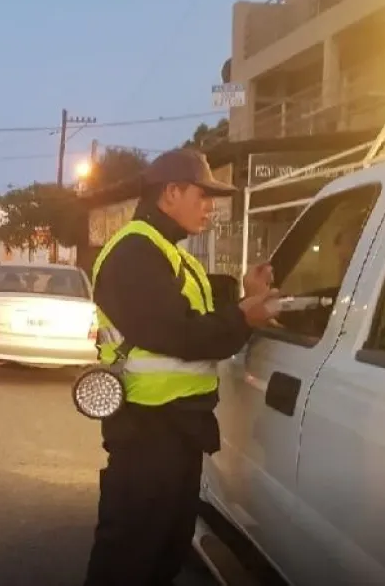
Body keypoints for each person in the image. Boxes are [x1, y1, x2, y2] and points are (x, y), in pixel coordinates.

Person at [84, 148, 280, 586]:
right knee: (129, 559)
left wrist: (244, 297)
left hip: (175, 430)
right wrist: (245, 316)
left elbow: (194, 321)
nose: (210, 206)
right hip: (147, 433)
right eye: (203, 194)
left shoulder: (169, 252)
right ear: (170, 193)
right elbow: (179, 334)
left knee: (165, 553)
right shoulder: (135, 252)